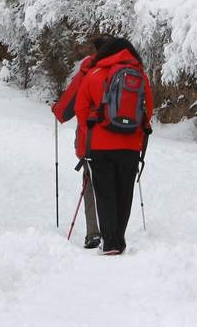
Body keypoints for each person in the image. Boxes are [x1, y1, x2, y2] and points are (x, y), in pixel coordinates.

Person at [75, 37, 153, 255]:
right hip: (130, 146)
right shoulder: (140, 76)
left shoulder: (95, 73)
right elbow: (148, 110)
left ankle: (110, 242)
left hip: (100, 145)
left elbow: (81, 108)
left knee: (105, 193)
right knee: (124, 192)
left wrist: (90, 132)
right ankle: (119, 239)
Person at [52, 34, 112, 249]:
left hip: (91, 140)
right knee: (115, 185)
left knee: (90, 184)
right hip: (122, 141)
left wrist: (55, 108)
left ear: (95, 50)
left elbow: (64, 111)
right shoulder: (125, 71)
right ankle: (114, 233)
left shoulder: (88, 71)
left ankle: (94, 233)